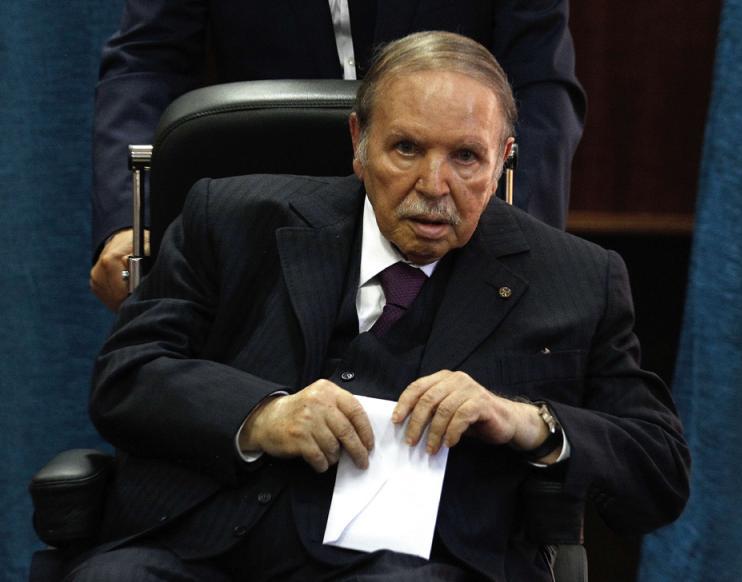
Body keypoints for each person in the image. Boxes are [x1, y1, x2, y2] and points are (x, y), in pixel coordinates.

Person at [69, 32, 688, 582]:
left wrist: (528, 421)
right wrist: (260, 416)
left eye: (466, 157)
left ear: (504, 159)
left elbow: (658, 471)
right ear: (358, 143)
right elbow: (126, 378)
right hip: (197, 549)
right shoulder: (231, 219)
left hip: (416, 565)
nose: (434, 184)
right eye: (407, 149)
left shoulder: (576, 278)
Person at [89, 0, 586, 311]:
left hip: (441, 228)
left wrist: (519, 240)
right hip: (266, 230)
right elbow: (147, 62)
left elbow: (539, 82)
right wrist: (128, 223)